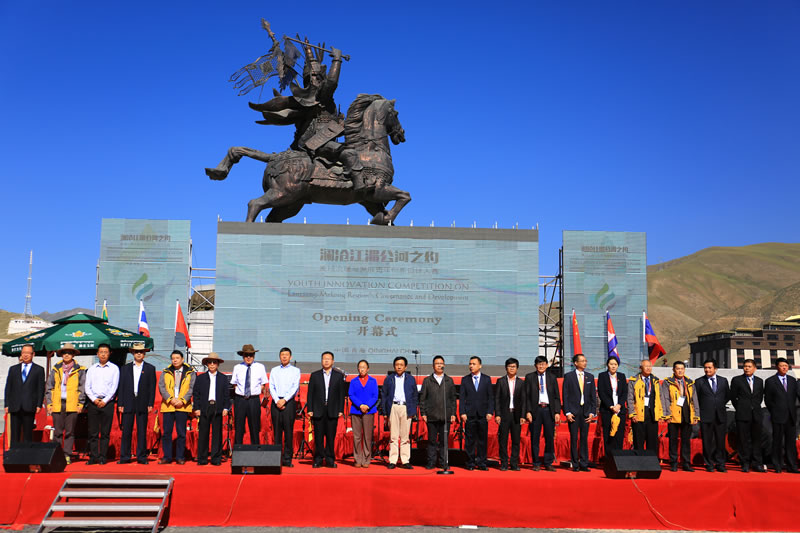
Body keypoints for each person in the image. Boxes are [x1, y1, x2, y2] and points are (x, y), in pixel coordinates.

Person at [117, 342, 156, 464]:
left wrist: (150, 403)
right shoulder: (125, 368)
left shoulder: (150, 368)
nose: (139, 354)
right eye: (136, 352)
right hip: (128, 401)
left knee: (142, 431)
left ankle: (141, 457)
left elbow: (152, 387)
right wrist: (120, 403)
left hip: (142, 402)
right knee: (127, 430)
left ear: (144, 354)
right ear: (133, 353)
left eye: (141, 352)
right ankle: (125, 456)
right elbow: (121, 387)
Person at [45, 343, 85, 463]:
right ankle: (56, 455)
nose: (67, 355)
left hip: (72, 404)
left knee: (69, 432)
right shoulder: (56, 369)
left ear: (73, 355)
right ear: (61, 355)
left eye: (69, 352)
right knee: (57, 431)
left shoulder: (80, 369)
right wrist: (49, 404)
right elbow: (49, 387)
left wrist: (80, 404)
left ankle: (67, 454)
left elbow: (82, 388)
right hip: (57, 403)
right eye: (64, 353)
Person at [307, 351, 346, 468]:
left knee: (330, 437)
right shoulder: (315, 375)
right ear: (321, 361)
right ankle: (318, 459)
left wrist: (340, 409)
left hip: (332, 410)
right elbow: (310, 394)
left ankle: (329, 459)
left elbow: (341, 394)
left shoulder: (339, 376)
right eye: (324, 359)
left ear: (333, 361)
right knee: (318, 437)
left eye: (328, 359)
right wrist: (310, 409)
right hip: (318, 410)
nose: (326, 361)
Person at [157, 350, 196, 464]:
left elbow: (192, 388)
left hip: (182, 406)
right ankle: (167, 457)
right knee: (167, 433)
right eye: (173, 358)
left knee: (181, 433)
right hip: (168, 405)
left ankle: (180, 457)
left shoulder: (190, 372)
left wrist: (182, 400)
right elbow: (161, 387)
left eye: (177, 358)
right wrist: (170, 399)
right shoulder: (166, 371)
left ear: (182, 359)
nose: (175, 360)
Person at [419, 355, 457, 470]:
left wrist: (453, 413)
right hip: (431, 416)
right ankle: (431, 462)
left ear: (444, 365)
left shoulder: (449, 381)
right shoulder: (427, 380)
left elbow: (453, 399)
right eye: (437, 363)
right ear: (433, 366)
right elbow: (423, 399)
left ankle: (443, 462)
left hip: (445, 416)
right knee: (431, 441)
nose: (439, 365)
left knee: (444, 441)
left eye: (441, 363)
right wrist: (423, 413)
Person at [661, 361, 700, 471]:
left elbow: (694, 400)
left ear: (684, 370)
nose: (680, 370)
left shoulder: (689, 382)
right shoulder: (667, 382)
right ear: (673, 370)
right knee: (673, 440)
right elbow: (665, 399)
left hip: (687, 413)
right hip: (673, 414)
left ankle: (686, 463)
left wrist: (696, 415)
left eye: (682, 368)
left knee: (686, 440)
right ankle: (673, 462)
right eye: (677, 368)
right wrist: (666, 415)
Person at [382, 356, 419, 469]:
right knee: (393, 436)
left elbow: (415, 396)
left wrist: (413, 410)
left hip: (406, 408)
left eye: (401, 365)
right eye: (397, 364)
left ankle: (405, 460)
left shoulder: (411, 379)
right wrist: (384, 412)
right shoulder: (389, 378)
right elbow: (384, 395)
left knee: (405, 436)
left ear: (405, 366)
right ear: (394, 366)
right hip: (393, 407)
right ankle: (392, 460)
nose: (399, 366)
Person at [85, 343, 120, 464]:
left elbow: (114, 387)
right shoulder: (91, 369)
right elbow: (87, 387)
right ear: (97, 354)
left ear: (109, 353)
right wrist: (94, 399)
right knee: (93, 432)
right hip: (93, 402)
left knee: (105, 432)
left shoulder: (114, 368)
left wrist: (105, 400)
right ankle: (93, 456)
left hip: (108, 403)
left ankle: (102, 457)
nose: (103, 354)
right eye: (101, 352)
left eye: (106, 352)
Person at [193, 353, 231, 466]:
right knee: (203, 434)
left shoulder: (223, 378)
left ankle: (216, 458)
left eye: (214, 362)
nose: (212, 364)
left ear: (218, 364)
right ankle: (202, 458)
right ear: (206, 364)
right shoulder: (200, 378)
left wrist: (226, 407)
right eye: (210, 362)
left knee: (217, 434)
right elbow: (196, 394)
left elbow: (226, 395)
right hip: (205, 406)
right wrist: (197, 408)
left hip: (217, 407)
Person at [525, 355, 561, 471]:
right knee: (535, 438)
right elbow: (527, 397)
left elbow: (556, 397)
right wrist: (528, 411)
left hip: (548, 410)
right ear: (535, 365)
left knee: (549, 437)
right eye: (539, 364)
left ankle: (548, 462)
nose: (541, 366)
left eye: (543, 364)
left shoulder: (552, 377)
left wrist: (557, 412)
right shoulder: (530, 377)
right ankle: (536, 463)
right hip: (536, 410)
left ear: (547, 365)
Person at [764, 357, 800, 473]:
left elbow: (795, 396)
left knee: (791, 443)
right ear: (776, 367)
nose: (784, 368)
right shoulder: (770, 381)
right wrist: (774, 411)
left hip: (791, 416)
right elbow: (768, 399)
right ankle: (777, 465)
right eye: (781, 366)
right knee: (777, 441)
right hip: (777, 416)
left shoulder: (792, 380)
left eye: (786, 366)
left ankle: (791, 465)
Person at [4, 344, 45, 445]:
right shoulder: (13, 369)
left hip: (29, 405)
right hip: (15, 406)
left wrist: (39, 404)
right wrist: (7, 404)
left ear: (33, 354)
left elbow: (40, 388)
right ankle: (14, 455)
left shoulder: (39, 370)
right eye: (23, 353)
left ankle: (26, 455)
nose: (25, 355)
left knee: (28, 433)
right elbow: (8, 387)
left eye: (28, 353)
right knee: (14, 433)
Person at [562, 353, 597, 472]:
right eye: (582, 361)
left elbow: (593, 397)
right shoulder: (569, 376)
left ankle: (584, 463)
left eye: (585, 360)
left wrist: (592, 412)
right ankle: (575, 463)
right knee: (574, 438)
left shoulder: (590, 377)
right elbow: (565, 396)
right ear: (576, 363)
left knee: (584, 438)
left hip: (586, 413)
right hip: (573, 412)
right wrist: (567, 412)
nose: (585, 363)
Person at [695, 358, 730, 472]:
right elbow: (697, 399)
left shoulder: (723, 381)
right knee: (707, 441)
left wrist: (717, 405)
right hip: (706, 416)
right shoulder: (699, 381)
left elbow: (727, 396)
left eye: (709, 367)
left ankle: (720, 464)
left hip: (720, 415)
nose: (707, 370)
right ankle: (709, 463)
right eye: (705, 368)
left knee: (720, 441)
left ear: (715, 368)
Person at [459, 356, 494, 471]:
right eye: (470, 364)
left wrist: (490, 411)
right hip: (469, 414)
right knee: (469, 440)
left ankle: (482, 462)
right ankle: (470, 462)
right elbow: (462, 397)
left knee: (482, 440)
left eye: (474, 364)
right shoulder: (465, 380)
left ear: (480, 365)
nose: (471, 366)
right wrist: (462, 412)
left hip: (483, 414)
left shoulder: (487, 379)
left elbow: (490, 397)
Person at [730, 359, 765, 472]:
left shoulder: (759, 381)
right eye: (745, 366)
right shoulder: (737, 380)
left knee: (756, 440)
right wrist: (741, 407)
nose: (747, 368)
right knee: (743, 439)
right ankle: (744, 462)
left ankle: (756, 463)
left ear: (755, 368)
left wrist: (754, 406)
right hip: (742, 414)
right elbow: (733, 397)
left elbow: (759, 397)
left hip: (756, 414)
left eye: (749, 366)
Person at [230, 344, 269, 445]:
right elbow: (234, 384)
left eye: (250, 355)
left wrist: (254, 391)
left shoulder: (260, 367)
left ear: (254, 356)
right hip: (240, 400)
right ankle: (238, 452)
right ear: (243, 356)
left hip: (253, 400)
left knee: (254, 427)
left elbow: (263, 384)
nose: (248, 357)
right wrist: (242, 393)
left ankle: (255, 451)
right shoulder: (237, 367)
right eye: (246, 355)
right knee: (239, 427)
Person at [269, 347, 301, 467]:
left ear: (290, 357)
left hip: (289, 403)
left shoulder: (295, 371)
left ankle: (287, 459)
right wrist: (277, 400)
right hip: (276, 403)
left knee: (288, 432)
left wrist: (284, 400)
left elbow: (295, 387)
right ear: (279, 356)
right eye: (282, 355)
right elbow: (271, 386)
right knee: (277, 433)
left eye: (286, 355)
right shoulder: (274, 370)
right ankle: (277, 459)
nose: (284, 357)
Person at [494, 357, 526, 471]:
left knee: (516, 440)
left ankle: (514, 463)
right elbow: (496, 399)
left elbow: (524, 400)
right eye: (509, 366)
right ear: (506, 368)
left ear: (517, 368)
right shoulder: (501, 381)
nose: (512, 369)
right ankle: (503, 463)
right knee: (503, 440)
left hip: (516, 415)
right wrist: (497, 414)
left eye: (514, 367)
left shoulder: (521, 383)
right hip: (504, 414)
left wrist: (523, 415)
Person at [627, 359, 664, 453]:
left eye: (650, 366)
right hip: (638, 414)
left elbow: (660, 397)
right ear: (640, 368)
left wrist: (661, 413)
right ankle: (639, 463)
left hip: (652, 414)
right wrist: (632, 413)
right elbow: (630, 398)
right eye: (646, 366)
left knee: (652, 441)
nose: (648, 368)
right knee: (638, 441)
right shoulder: (633, 380)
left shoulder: (655, 380)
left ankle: (651, 463)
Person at [348, 359, 379, 468]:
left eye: (364, 367)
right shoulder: (353, 381)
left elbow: (375, 396)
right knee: (357, 436)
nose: (362, 369)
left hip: (369, 411)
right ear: (358, 368)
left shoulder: (373, 381)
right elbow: (351, 395)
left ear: (368, 369)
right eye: (360, 367)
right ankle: (357, 459)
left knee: (367, 436)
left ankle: (366, 459)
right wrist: (360, 405)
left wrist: (367, 406)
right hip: (356, 410)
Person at [597, 355, 628, 457]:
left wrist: (619, 405)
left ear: (618, 366)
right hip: (607, 410)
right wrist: (611, 406)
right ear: (607, 365)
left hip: (620, 410)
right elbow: (601, 393)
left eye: (615, 364)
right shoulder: (602, 376)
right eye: (611, 364)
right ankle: (609, 459)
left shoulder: (622, 376)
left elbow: (624, 393)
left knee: (619, 435)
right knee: (608, 435)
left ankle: (619, 459)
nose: (613, 366)